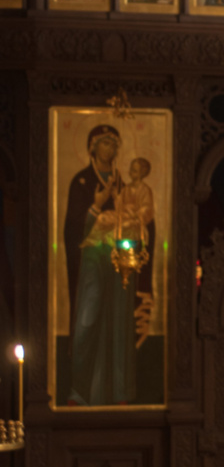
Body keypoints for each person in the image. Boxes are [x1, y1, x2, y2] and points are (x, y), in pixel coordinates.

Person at [63, 125, 137, 406]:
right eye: (105, 143)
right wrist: (95, 207)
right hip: (91, 262)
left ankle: (120, 393)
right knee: (87, 319)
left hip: (119, 262)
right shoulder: (81, 181)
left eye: (114, 144)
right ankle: (79, 391)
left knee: (118, 322)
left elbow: (139, 222)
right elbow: (70, 229)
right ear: (92, 146)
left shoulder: (123, 183)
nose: (111, 148)